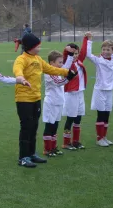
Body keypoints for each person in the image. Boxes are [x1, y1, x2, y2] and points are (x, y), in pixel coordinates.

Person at [13, 33, 74, 168]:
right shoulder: (21, 59)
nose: (39, 48)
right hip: (24, 99)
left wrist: (66, 72)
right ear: (30, 47)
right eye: (37, 46)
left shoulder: (38, 59)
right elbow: (17, 69)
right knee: (26, 127)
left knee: (34, 126)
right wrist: (21, 77)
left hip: (36, 98)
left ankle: (32, 154)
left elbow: (51, 69)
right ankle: (23, 157)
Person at [85, 32, 113, 147]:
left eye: (108, 49)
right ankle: (99, 138)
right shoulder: (98, 60)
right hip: (99, 90)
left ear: (112, 51)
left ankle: (104, 137)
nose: (105, 51)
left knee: (107, 114)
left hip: (110, 91)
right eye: (103, 49)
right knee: (101, 114)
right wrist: (89, 40)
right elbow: (88, 54)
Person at [42, 48, 75, 157]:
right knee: (49, 126)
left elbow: (65, 68)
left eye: (62, 62)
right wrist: (68, 78)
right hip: (51, 102)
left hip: (58, 102)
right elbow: (58, 82)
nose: (62, 65)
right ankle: (47, 149)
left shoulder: (58, 71)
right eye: (59, 62)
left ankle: (53, 147)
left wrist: (70, 55)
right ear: (52, 63)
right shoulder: (48, 72)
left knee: (55, 126)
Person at [62, 34, 90, 150]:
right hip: (71, 94)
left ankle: (76, 141)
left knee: (78, 118)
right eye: (73, 54)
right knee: (70, 118)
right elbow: (66, 56)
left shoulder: (79, 61)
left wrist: (86, 39)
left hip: (80, 93)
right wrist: (67, 51)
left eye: (76, 53)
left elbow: (83, 52)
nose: (75, 56)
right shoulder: (66, 65)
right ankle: (66, 142)